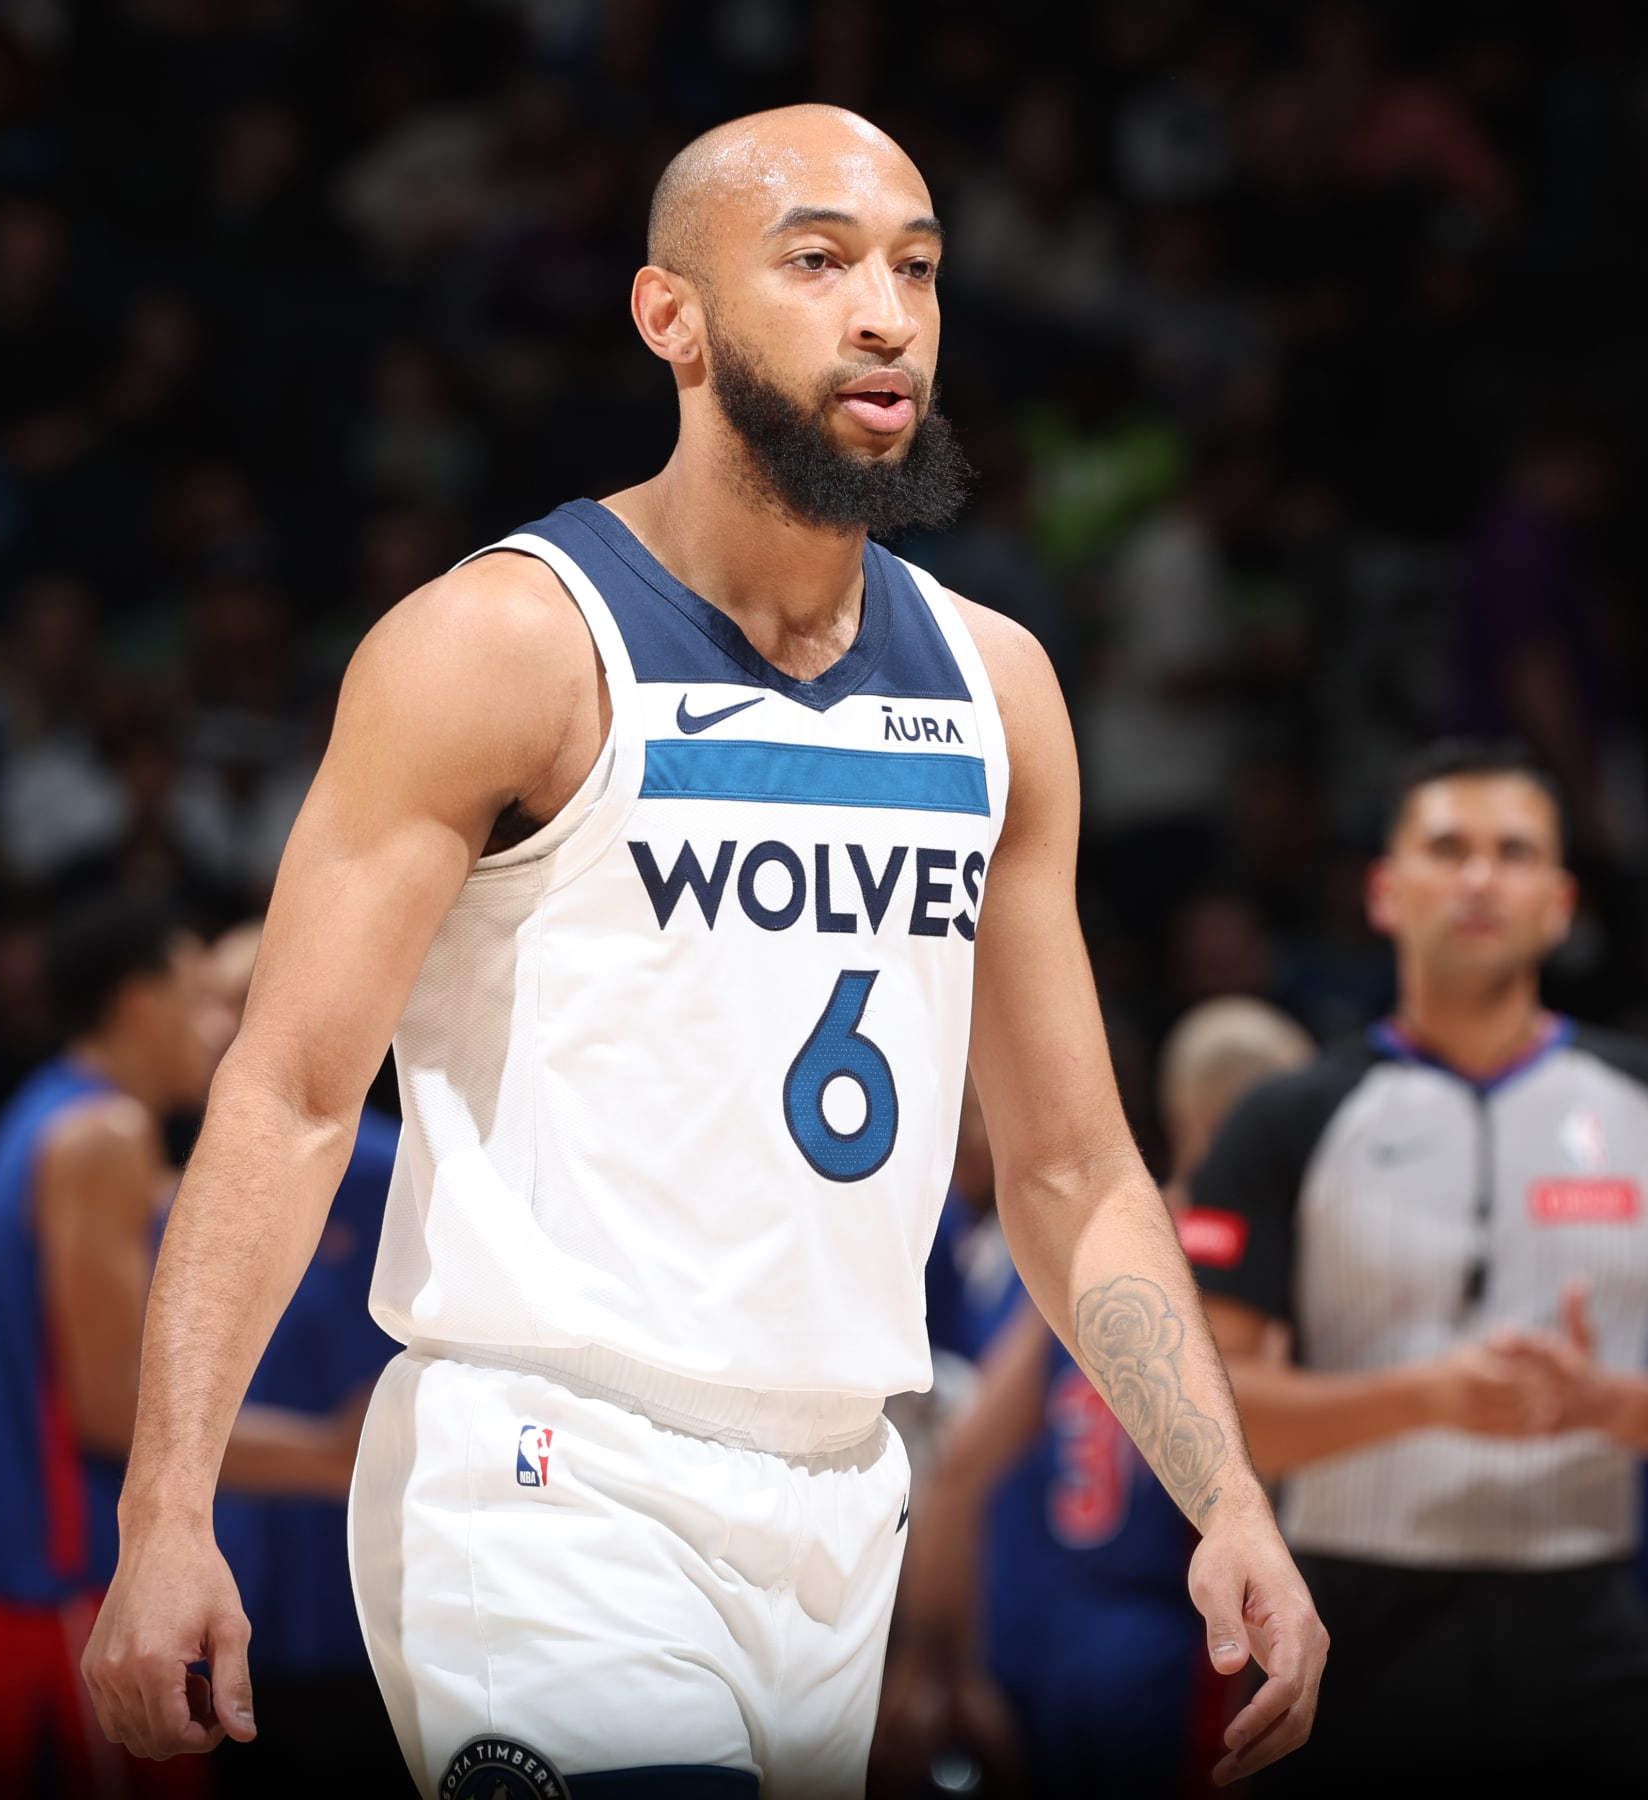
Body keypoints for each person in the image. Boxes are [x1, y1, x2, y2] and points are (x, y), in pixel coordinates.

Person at [82, 106, 1325, 1798]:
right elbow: (292, 1095)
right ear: (671, 316)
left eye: (917, 268)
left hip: (841, 1495)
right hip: (546, 1476)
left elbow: (1071, 1167)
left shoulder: (996, 687)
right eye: (816, 263)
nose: (884, 311)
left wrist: (1226, 1498)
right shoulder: (505, 643)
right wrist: (168, 1513)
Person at [1190, 741, 1648, 1796]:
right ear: (1385, 893)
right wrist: (1425, 1398)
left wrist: (1603, 1401)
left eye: (1513, 851)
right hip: (1353, 1617)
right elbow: (1211, 1417)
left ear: (1561, 900)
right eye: (1448, 848)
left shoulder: (1634, 1105)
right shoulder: (1287, 1117)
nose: (1481, 877)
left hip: (1588, 1613)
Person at [0, 892, 362, 1798]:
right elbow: (111, 1409)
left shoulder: (45, 1115)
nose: (218, 1030)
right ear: (135, 1004)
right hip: (56, 1583)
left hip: (10, 1576)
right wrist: (328, 1457)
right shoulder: (104, 1136)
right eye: (201, 998)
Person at [884, 999, 1314, 1798]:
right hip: (1171, 1640)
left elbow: (966, 1458)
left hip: (1040, 1630)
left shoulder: (1094, 1253)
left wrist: (937, 1652)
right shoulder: (1243, 1286)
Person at [202, 922, 408, 1797]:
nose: (212, 1029)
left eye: (235, 1006)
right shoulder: (188, 1185)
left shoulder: (398, 1170)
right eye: (210, 1005)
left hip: (364, 1594)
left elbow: (369, 1427)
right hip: (242, 1581)